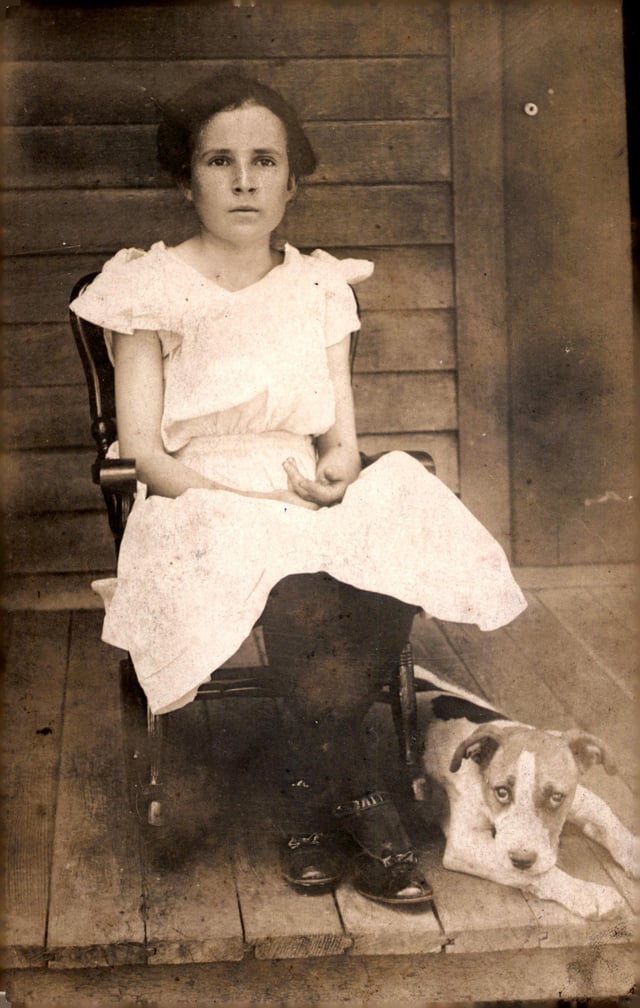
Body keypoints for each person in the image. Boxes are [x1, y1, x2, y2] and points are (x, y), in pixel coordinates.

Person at [70, 70, 527, 906]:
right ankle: (351, 801)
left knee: (394, 529)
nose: (244, 180)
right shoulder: (149, 284)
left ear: (291, 179)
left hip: (298, 489)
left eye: (264, 160)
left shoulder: (319, 284)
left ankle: (313, 797)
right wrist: (252, 505)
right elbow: (144, 450)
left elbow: (340, 443)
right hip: (194, 500)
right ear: (186, 177)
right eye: (219, 160)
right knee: (309, 583)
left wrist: (330, 484)